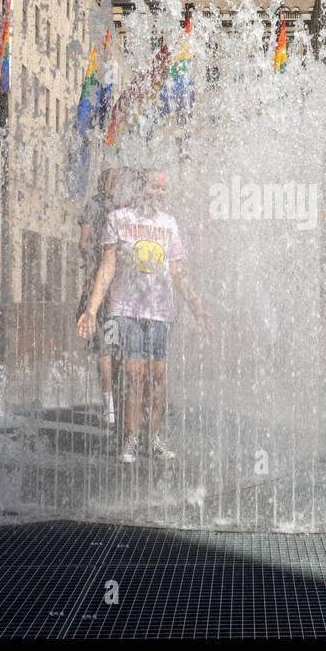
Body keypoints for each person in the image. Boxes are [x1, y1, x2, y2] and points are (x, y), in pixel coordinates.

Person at [76, 169, 210, 464]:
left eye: (163, 188)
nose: (160, 193)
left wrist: (197, 307)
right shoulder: (119, 219)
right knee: (133, 374)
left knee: (158, 377)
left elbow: (176, 273)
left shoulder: (169, 224)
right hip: (126, 310)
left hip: (160, 313)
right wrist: (92, 308)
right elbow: (107, 267)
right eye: (155, 187)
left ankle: (154, 436)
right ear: (140, 188)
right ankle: (130, 438)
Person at [78, 168, 121, 425]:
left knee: (105, 347)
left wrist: (97, 258)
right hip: (120, 286)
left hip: (100, 284)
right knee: (116, 347)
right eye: (112, 181)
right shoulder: (120, 209)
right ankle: (115, 403)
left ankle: (110, 406)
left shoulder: (94, 206)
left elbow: (83, 243)